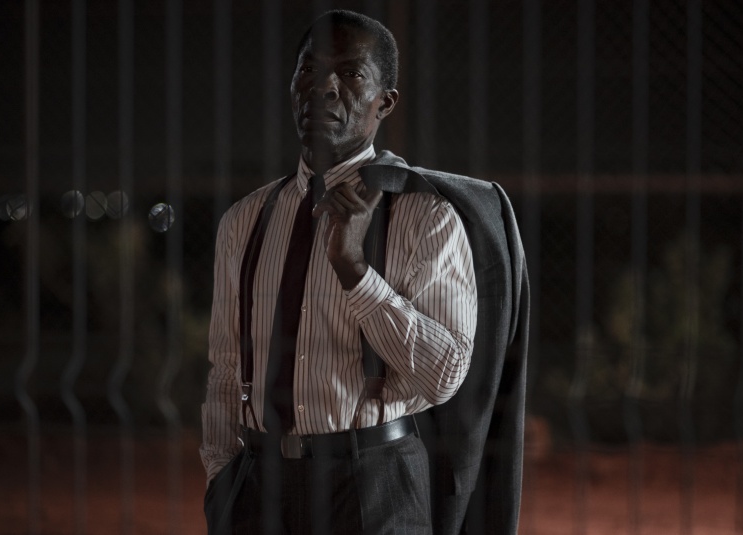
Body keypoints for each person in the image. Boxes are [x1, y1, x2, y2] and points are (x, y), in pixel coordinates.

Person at [201, 9, 526, 535]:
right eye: (310, 68)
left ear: (385, 102)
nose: (324, 88)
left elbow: (445, 375)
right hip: (257, 488)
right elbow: (225, 367)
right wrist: (221, 477)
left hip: (374, 484)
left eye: (351, 73)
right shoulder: (245, 220)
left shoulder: (426, 215)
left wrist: (355, 272)